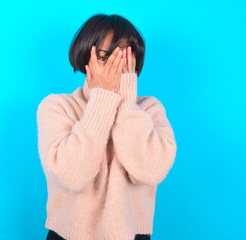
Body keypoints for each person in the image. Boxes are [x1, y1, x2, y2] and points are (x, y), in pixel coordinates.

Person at [37, 13, 177, 240]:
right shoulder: (57, 107)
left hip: (134, 234)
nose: (114, 68)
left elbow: (150, 171)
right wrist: (102, 98)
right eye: (105, 58)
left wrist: (126, 103)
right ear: (86, 58)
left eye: (123, 59)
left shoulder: (150, 109)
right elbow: (71, 176)